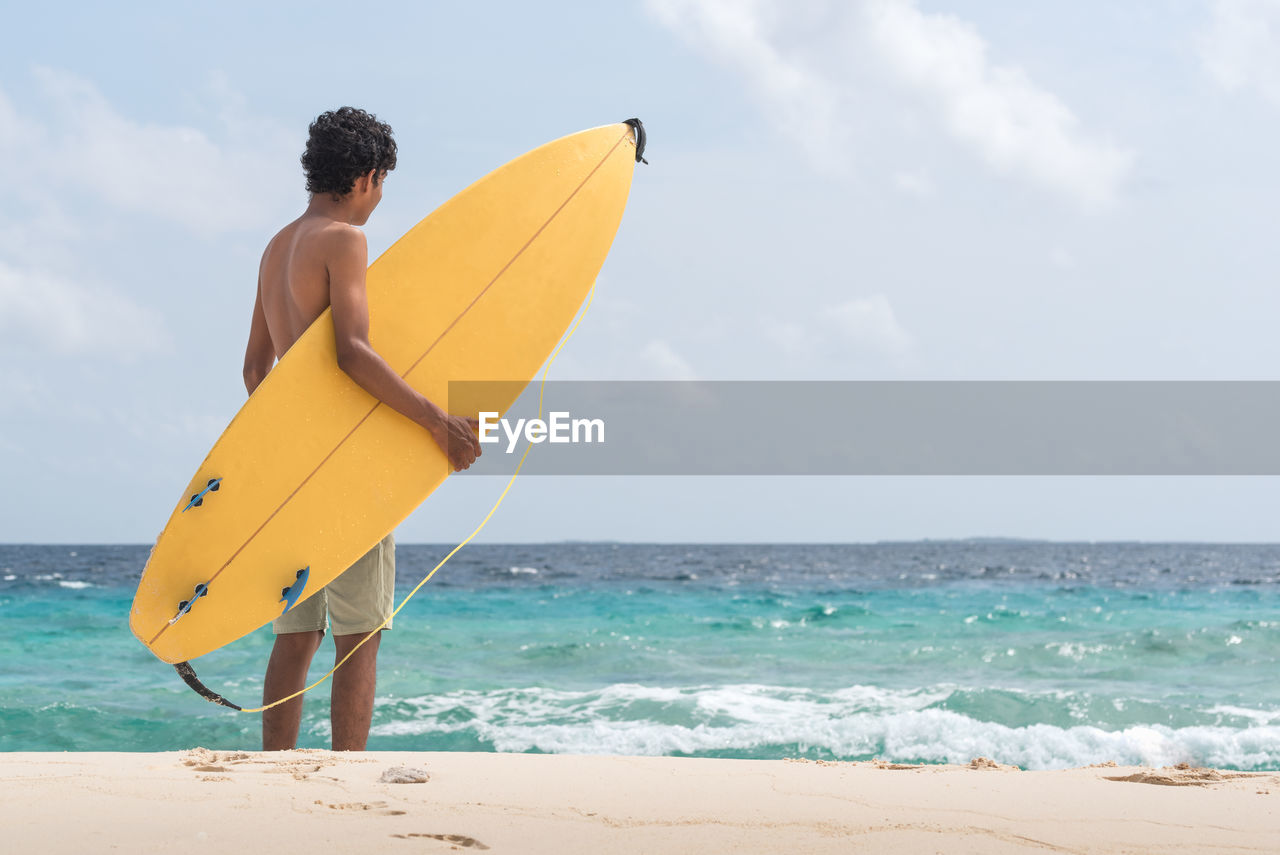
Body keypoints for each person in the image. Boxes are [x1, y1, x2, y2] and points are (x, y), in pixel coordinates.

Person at [242, 107, 481, 751]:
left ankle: (277, 770)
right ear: (367, 177)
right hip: (345, 469)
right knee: (359, 634)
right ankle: (346, 775)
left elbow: (256, 369)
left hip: (295, 468)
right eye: (381, 187)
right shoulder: (344, 241)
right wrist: (439, 423)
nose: (378, 204)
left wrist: (289, 441)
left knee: (296, 633)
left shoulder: (276, 247)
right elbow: (352, 350)